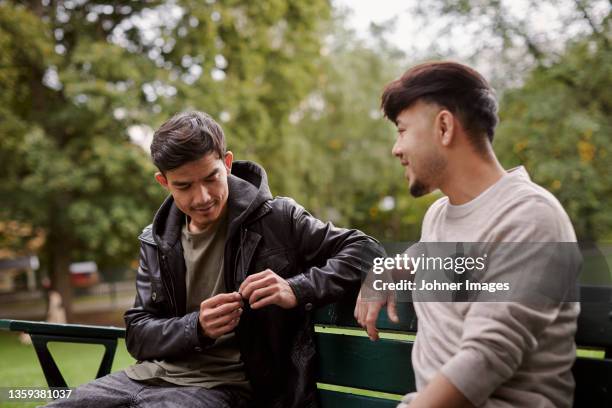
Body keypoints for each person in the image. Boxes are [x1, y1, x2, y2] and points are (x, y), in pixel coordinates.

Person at [49, 111, 382, 408]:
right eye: (184, 186)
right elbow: (139, 335)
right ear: (163, 182)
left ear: (227, 163)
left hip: (228, 388)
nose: (202, 197)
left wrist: (296, 288)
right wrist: (197, 327)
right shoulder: (155, 239)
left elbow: (366, 249)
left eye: (211, 178)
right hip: (146, 378)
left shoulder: (278, 218)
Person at [354, 61, 580, 408]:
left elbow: (486, 357)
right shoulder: (440, 216)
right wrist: (384, 272)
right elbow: (430, 257)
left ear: (444, 126)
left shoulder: (531, 219)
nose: (396, 149)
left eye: (402, 130)